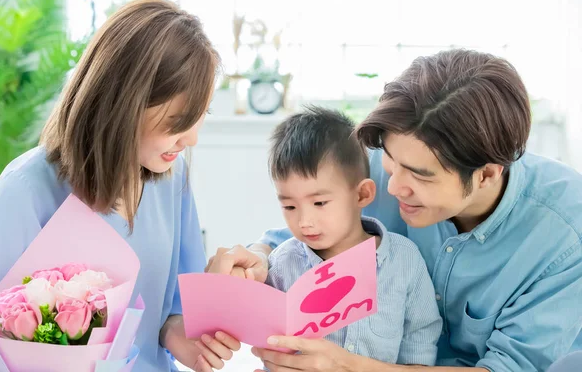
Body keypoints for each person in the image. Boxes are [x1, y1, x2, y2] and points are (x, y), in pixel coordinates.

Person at [206, 49, 582, 372]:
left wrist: (347, 365)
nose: (391, 185)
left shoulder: (565, 234)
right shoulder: (378, 169)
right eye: (388, 157)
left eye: (420, 175)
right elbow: (293, 237)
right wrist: (253, 259)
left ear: (486, 174)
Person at [0, 0, 239, 372]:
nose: (191, 139)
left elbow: (172, 309)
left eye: (201, 116)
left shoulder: (172, 178)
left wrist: (177, 334)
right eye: (178, 120)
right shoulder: (25, 190)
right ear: (125, 103)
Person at [264, 105, 442, 365]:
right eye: (289, 206)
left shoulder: (404, 260)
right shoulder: (282, 265)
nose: (304, 221)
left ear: (362, 195)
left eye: (320, 203)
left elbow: (420, 336)